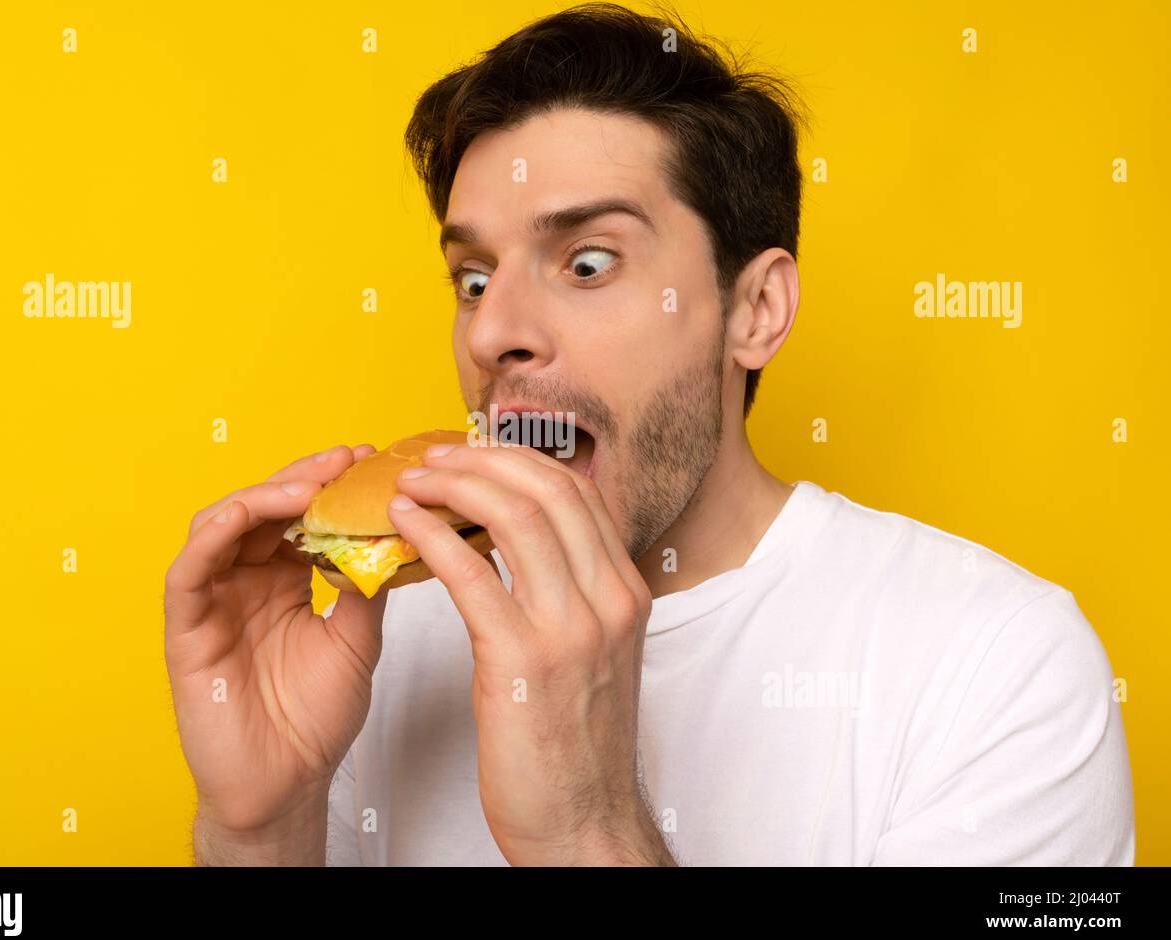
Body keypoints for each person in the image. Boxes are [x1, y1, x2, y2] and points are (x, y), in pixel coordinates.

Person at [162, 2, 1134, 866]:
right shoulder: (378, 644)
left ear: (754, 309)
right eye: (473, 278)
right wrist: (261, 831)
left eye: (587, 263)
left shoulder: (996, 665)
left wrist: (586, 835)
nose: (493, 331)